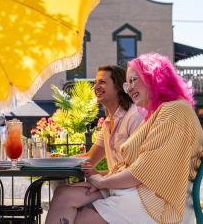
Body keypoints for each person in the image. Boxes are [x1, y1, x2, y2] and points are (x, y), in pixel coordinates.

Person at [59, 53, 203, 224]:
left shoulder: (174, 110)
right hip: (144, 192)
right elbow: (136, 167)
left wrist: (102, 181)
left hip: (161, 202)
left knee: (82, 217)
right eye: (128, 83)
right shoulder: (158, 113)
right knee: (66, 198)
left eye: (135, 80)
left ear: (153, 76)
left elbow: (144, 170)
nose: (130, 88)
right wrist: (102, 180)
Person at [46, 65, 144, 223]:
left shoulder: (135, 116)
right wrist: (57, 160)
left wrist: (100, 180)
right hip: (114, 186)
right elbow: (88, 159)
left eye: (102, 82)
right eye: (95, 82)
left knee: (81, 217)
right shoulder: (107, 122)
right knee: (62, 194)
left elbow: (138, 169)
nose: (96, 87)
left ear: (119, 86)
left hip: (133, 191)